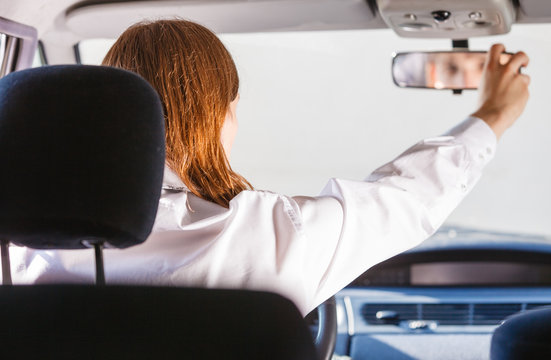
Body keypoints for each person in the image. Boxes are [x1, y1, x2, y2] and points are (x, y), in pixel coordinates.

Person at [9, 19, 529, 316]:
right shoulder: (274, 235)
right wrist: (492, 115)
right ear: (220, 115)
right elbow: (406, 197)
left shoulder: (17, 260)